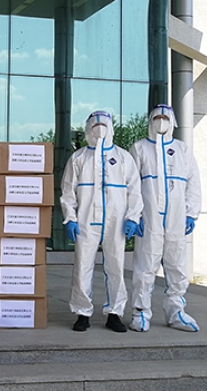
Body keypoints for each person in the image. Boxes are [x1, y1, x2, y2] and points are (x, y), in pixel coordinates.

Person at [60, 110, 144, 332]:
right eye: (95, 125)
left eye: (104, 124)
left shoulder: (123, 157)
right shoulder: (78, 158)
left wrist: (132, 217)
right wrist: (70, 218)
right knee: (82, 266)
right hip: (86, 220)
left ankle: (115, 313)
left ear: (111, 127)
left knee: (116, 266)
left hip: (116, 221)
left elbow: (135, 190)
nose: (99, 129)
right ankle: (82, 312)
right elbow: (68, 191)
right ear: (88, 128)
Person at [128, 104, 202, 332]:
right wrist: (133, 215)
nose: (161, 121)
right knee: (145, 266)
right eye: (157, 117)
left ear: (173, 122)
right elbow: (130, 185)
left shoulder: (182, 149)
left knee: (176, 264)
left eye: (165, 117)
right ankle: (140, 313)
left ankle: (176, 312)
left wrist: (191, 213)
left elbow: (193, 182)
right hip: (149, 217)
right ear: (150, 121)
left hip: (176, 217)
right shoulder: (139, 148)